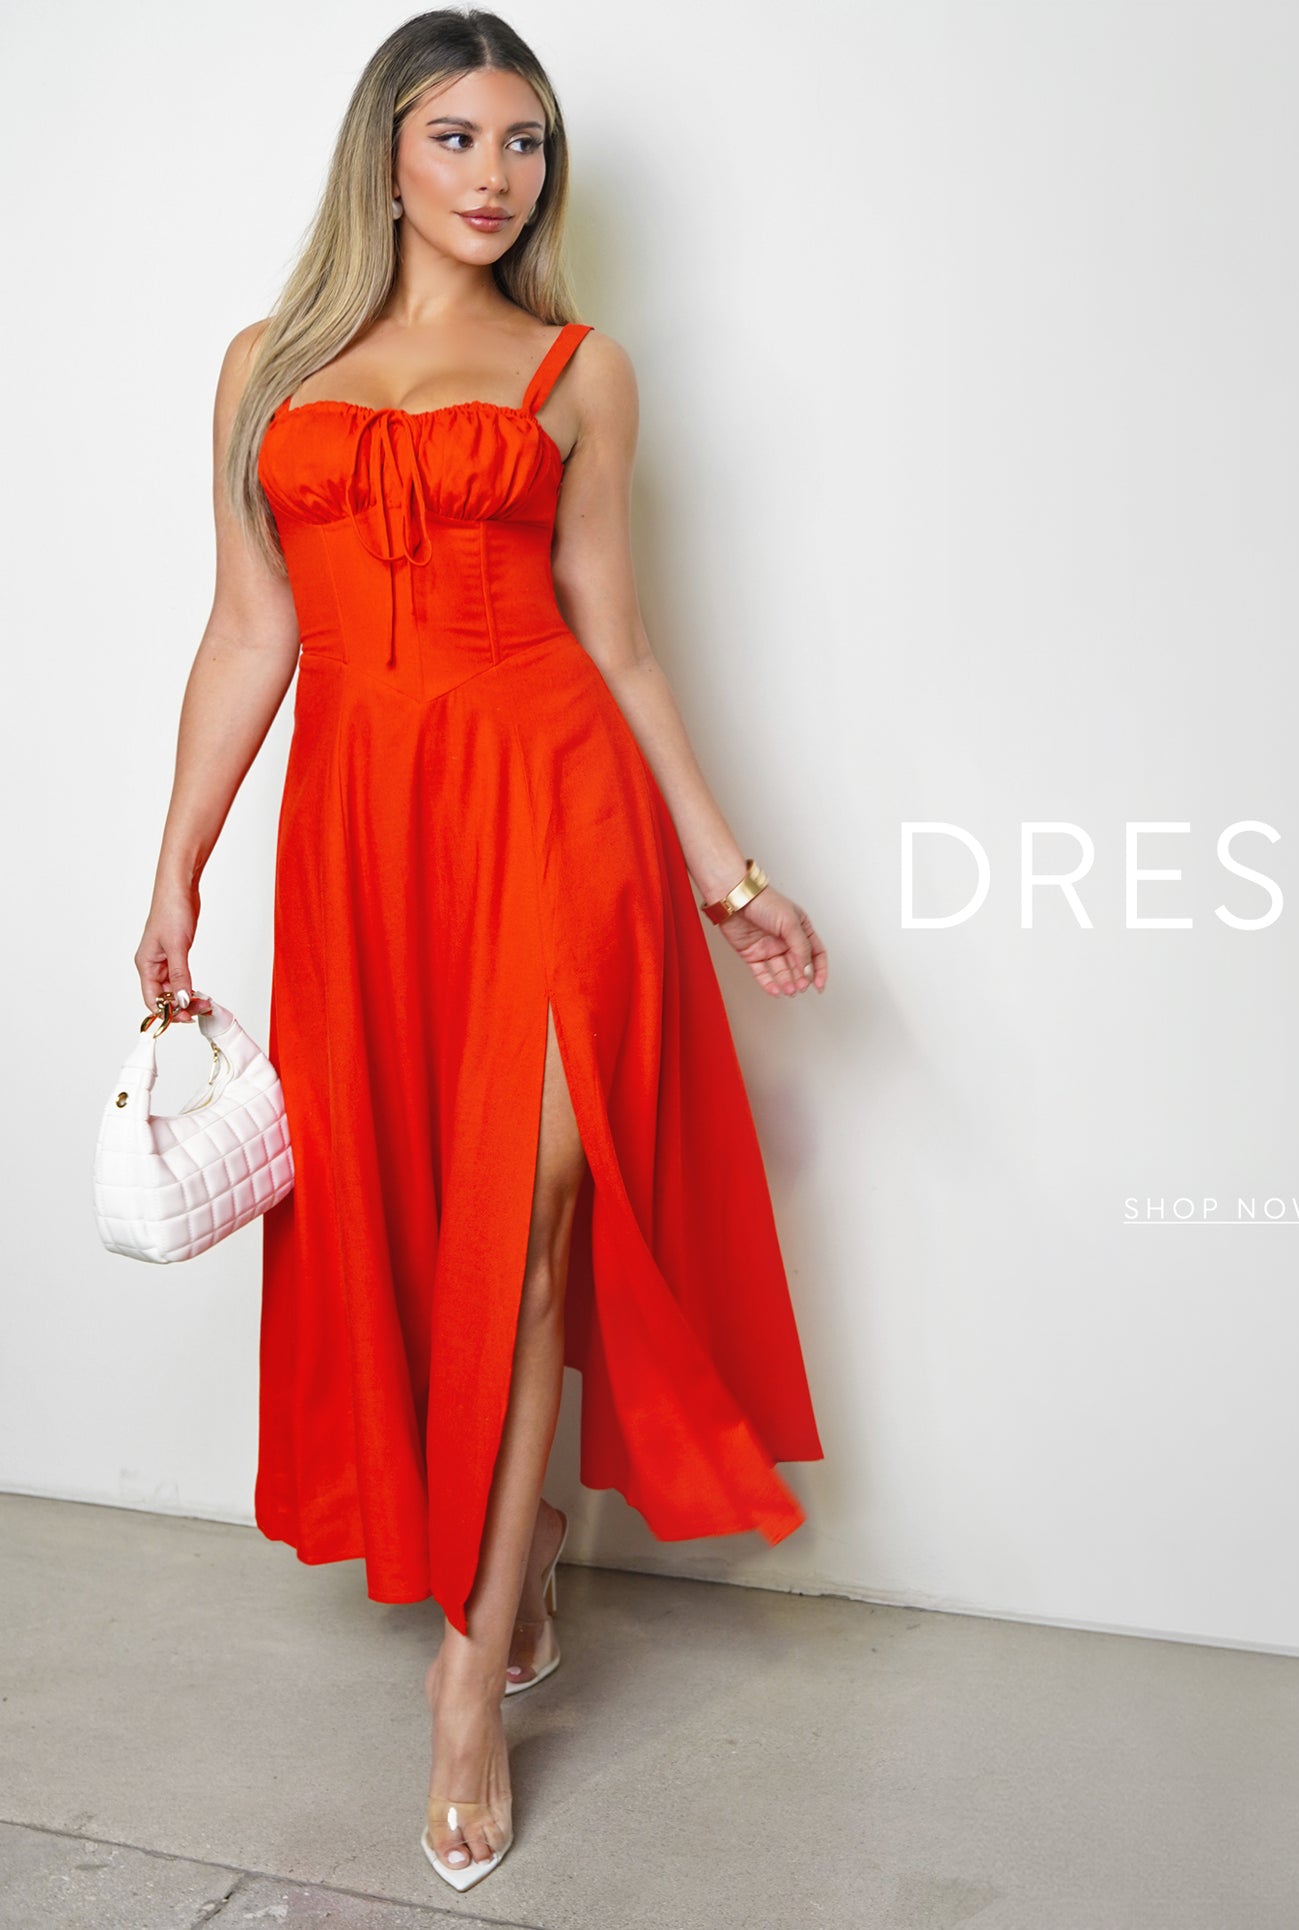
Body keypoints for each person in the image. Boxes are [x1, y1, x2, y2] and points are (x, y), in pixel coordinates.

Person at [132, 8, 827, 1893]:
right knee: (404, 1219)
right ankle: (513, 1570)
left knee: (525, 1227)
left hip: (558, 820)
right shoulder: (265, 367)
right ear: (385, 154)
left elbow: (620, 639)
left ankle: (465, 1685)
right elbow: (249, 629)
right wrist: (177, 864)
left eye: (526, 143)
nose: (497, 175)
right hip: (362, 845)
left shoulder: (579, 372)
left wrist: (730, 875)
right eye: (458, 136)